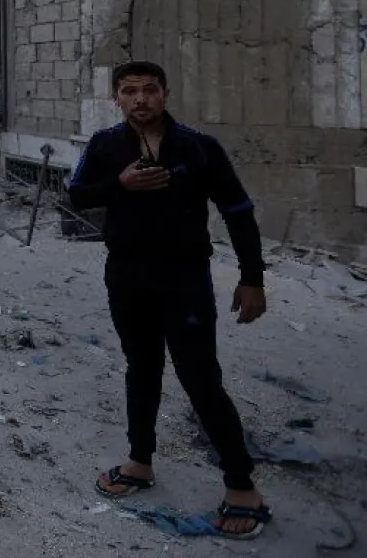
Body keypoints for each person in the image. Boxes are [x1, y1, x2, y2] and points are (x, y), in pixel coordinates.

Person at [67, 60, 272, 540]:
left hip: (185, 278)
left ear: (166, 94)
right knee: (141, 368)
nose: (141, 99)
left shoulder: (200, 147)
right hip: (126, 276)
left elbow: (238, 211)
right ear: (116, 98)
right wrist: (118, 185)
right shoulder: (104, 146)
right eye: (129, 91)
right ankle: (140, 462)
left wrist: (252, 278)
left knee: (201, 378)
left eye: (150, 90)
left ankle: (242, 487)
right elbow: (76, 195)